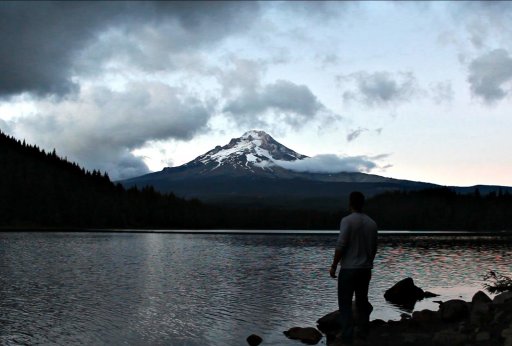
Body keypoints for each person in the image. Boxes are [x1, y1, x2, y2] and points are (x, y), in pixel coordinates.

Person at [329, 191, 378, 344]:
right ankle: (363, 333)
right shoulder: (372, 223)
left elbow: (341, 245)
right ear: (363, 203)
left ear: (350, 203)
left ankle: (347, 335)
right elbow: (374, 248)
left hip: (349, 269)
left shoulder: (347, 221)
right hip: (365, 269)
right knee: (362, 301)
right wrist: (368, 261)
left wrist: (334, 265)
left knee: (345, 303)